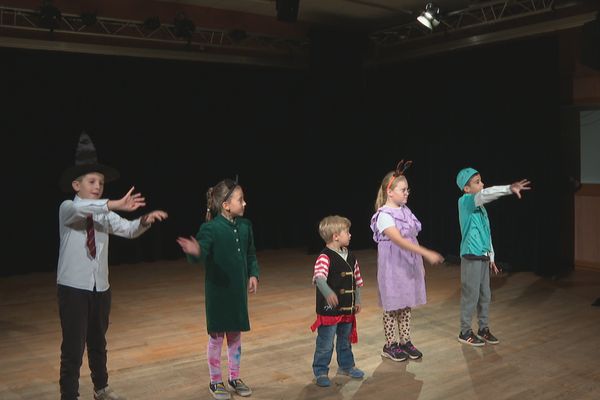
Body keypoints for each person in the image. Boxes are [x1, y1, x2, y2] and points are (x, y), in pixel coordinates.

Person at [57, 132, 168, 400]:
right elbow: (85, 211)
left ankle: (101, 388)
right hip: (73, 288)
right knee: (73, 347)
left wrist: (144, 221)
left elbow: (128, 229)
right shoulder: (67, 209)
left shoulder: (104, 213)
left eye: (101, 183)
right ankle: (69, 394)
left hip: (100, 287)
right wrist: (114, 203)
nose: (97, 186)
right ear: (76, 185)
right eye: (92, 181)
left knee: (98, 342)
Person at [177, 177, 259, 400]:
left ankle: (234, 377)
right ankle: (215, 381)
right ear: (225, 204)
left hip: (237, 294)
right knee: (216, 339)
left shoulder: (245, 226)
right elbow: (201, 253)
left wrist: (253, 274)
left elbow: (251, 254)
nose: (245, 203)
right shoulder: (210, 228)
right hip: (218, 294)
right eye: (240, 200)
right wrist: (195, 251)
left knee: (235, 336)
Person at [370, 160, 444, 362]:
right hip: (393, 267)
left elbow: (412, 237)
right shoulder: (384, 215)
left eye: (407, 189)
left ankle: (405, 341)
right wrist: (426, 253)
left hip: (407, 265)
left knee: (405, 305)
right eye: (403, 190)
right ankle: (390, 344)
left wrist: (418, 264)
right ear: (390, 192)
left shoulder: (406, 211)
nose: (407, 193)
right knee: (392, 305)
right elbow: (399, 241)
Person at [456, 167, 530, 346]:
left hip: (482, 256)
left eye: (481, 180)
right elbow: (486, 194)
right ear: (466, 188)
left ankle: (484, 328)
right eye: (477, 182)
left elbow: (486, 233)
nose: (482, 184)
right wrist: (508, 189)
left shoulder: (481, 210)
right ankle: (465, 331)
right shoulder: (466, 201)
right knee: (470, 295)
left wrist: (492, 257)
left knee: (485, 295)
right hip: (471, 255)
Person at [310, 215, 365, 387]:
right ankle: (320, 371)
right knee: (325, 343)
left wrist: (358, 300)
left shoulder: (352, 256)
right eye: (347, 232)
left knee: (345, 340)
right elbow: (319, 278)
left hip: (347, 309)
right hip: (330, 310)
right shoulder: (325, 257)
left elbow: (358, 280)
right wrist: (328, 293)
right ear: (335, 236)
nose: (350, 235)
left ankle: (346, 366)